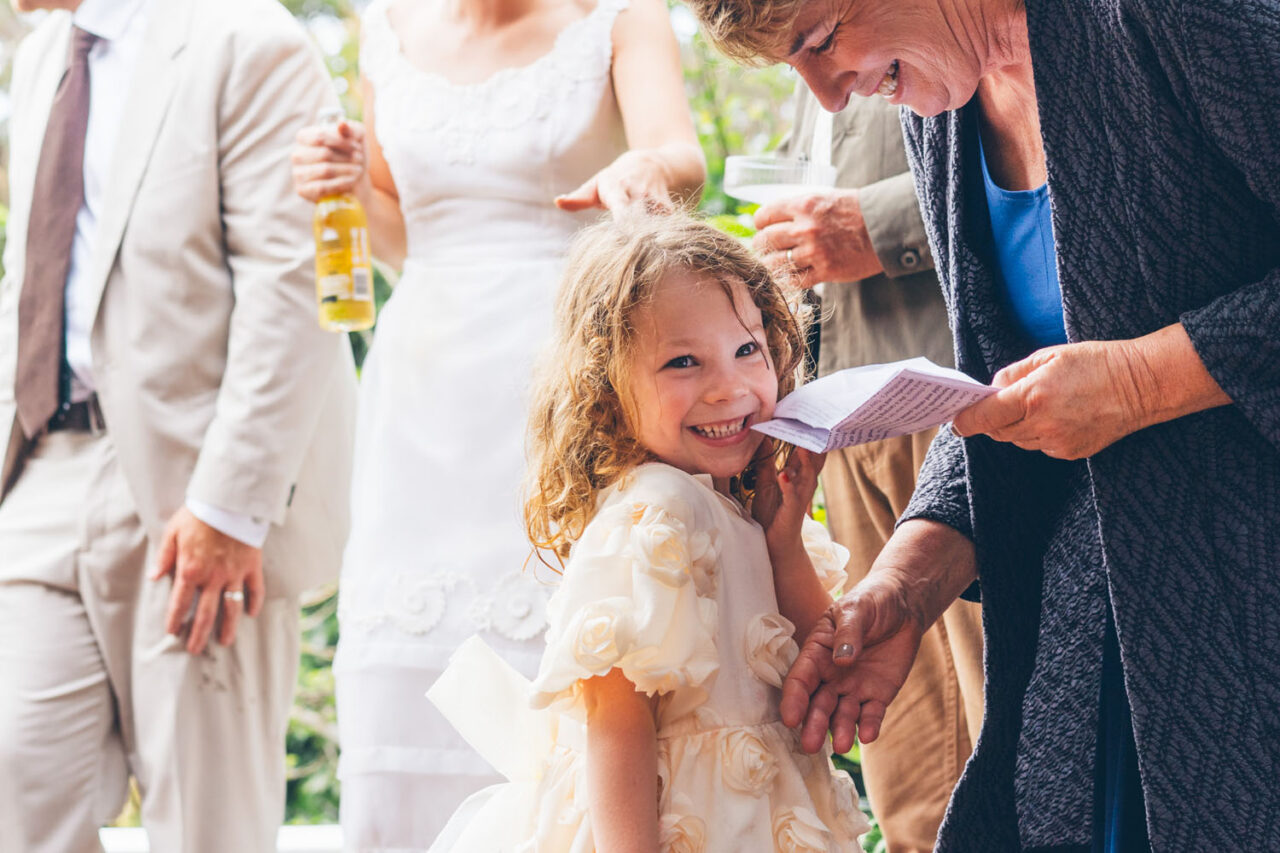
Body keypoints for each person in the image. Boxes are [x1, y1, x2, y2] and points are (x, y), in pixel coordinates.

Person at [685, 0, 1280, 849]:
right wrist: (903, 587)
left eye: (820, 43)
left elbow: (1107, 386)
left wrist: (1148, 382)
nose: (828, 95)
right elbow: (1011, 393)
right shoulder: (942, 115)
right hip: (1115, 648)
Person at [289, 0, 704, 844]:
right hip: (422, 392)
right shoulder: (385, 27)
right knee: (408, 667)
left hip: (568, 378)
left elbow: (681, 156)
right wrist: (340, 186)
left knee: (576, 663)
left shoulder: (621, 15)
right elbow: (401, 231)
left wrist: (643, 175)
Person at [0, 0, 357, 850]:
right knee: (18, 777)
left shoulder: (250, 41)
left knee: (207, 821)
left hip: (198, 491)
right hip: (43, 464)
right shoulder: (43, 52)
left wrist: (232, 506)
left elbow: (295, 282)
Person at [425, 212, 869, 850]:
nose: (729, 388)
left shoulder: (735, 505)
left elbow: (817, 675)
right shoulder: (655, 509)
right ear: (607, 387)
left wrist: (784, 539)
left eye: (748, 350)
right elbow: (616, 718)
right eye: (683, 362)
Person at [754, 84, 983, 852]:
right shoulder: (804, 63)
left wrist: (876, 227)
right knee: (905, 771)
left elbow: (1054, 163)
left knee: (1001, 720)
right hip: (842, 419)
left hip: (964, 404)